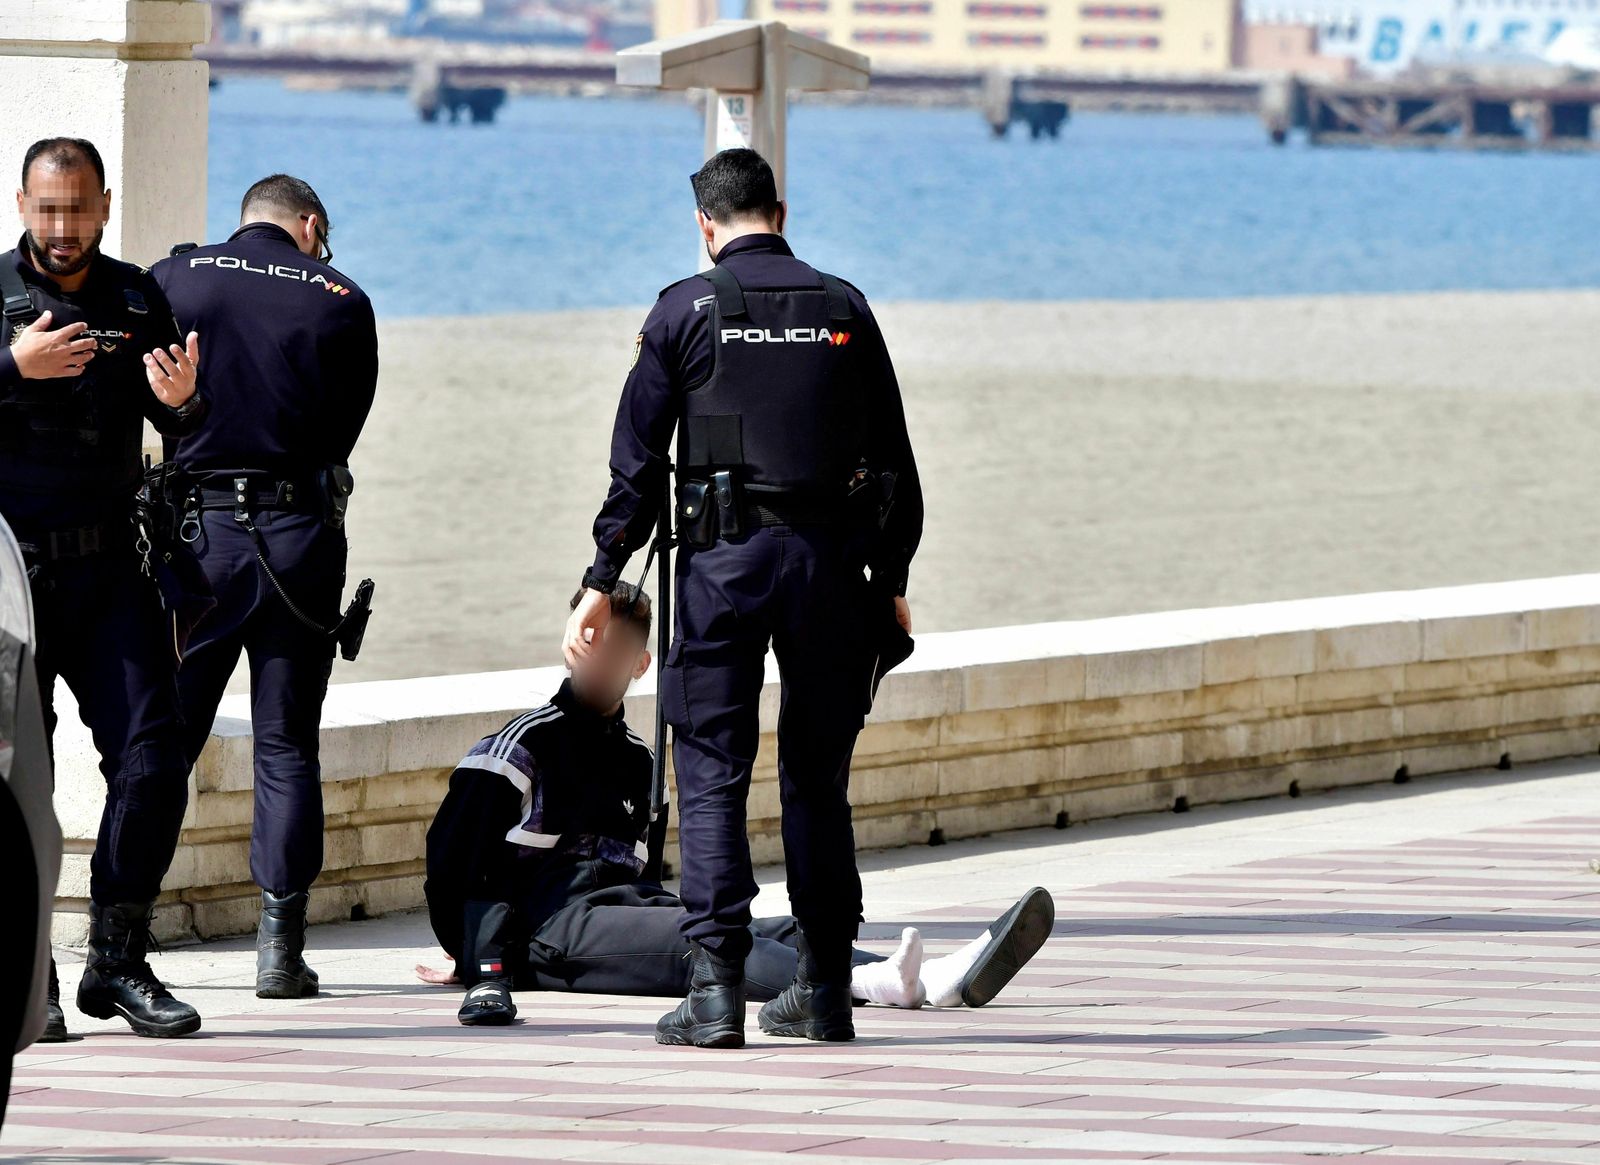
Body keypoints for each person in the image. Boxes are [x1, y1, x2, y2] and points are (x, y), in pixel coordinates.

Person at [563, 146, 925, 1048]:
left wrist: (602, 578)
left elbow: (637, 466)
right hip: (833, 570)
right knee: (817, 779)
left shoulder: (684, 311)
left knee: (713, 770)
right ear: (783, 211)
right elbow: (895, 462)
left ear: (704, 225)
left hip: (722, 568)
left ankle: (716, 992)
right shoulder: (845, 307)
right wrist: (895, 579)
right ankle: (828, 988)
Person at [426, 587, 1053, 1027]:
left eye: (616, 651)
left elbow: (641, 874)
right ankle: (871, 985)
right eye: (590, 644)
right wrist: (476, 958)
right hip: (549, 927)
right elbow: (453, 862)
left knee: (767, 927)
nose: (600, 660)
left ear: (640, 664)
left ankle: (937, 973)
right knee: (703, 942)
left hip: (621, 910)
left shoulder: (638, 758)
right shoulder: (520, 747)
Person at [151, 174, 378, 999]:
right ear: (309, 225)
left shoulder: (175, 277)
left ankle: (125, 926)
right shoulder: (341, 299)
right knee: (287, 744)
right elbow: (343, 432)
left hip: (197, 543)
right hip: (298, 542)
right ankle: (279, 950)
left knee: (165, 741)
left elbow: (153, 396)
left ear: (245, 219)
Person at [2, 137, 207, 1039]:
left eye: (77, 209)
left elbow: (178, 415)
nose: (62, 228)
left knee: (155, 758)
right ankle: (27, 977)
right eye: (47, 209)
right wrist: (13, 369)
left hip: (110, 569)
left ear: (105, 205)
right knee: (17, 784)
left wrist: (187, 399)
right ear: (21, 205)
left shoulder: (134, 293)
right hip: (9, 573)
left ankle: (117, 960)